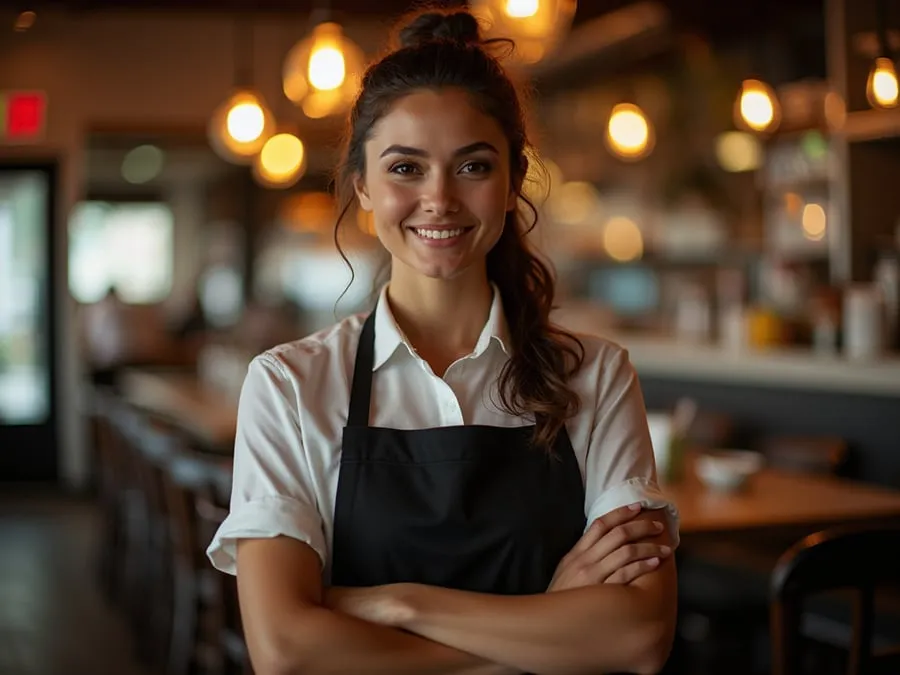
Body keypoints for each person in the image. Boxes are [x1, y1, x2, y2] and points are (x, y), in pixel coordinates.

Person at [207, 8, 679, 675]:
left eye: (472, 166)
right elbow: (287, 650)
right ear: (363, 186)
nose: (439, 198)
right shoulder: (289, 384)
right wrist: (550, 617)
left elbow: (637, 635)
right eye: (405, 168)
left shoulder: (595, 375)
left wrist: (402, 604)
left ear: (514, 180)